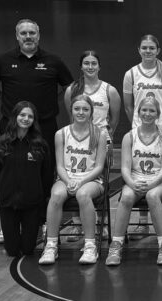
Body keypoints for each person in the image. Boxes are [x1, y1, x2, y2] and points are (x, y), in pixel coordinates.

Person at [0, 18, 73, 244]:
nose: (28, 37)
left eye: (32, 33)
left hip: (44, 126)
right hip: (12, 128)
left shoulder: (53, 61)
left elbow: (70, 87)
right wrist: (9, 108)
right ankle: (9, 224)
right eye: (23, 33)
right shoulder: (2, 61)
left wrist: (47, 107)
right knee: (9, 175)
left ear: (39, 35)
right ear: (17, 36)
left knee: (44, 176)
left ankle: (44, 224)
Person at [38, 95, 108, 265]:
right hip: (66, 178)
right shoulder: (61, 134)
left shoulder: (100, 134)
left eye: (85, 109)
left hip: (92, 180)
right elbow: (60, 165)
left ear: (91, 112)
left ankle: (90, 245)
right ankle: (51, 245)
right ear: (71, 110)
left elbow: (99, 167)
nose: (81, 112)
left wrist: (81, 182)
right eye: (77, 109)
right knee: (56, 195)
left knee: (83, 195)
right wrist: (69, 181)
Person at [106, 96, 162, 266]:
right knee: (127, 196)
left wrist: (152, 183)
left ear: (158, 114)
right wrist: (131, 182)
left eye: (152, 110)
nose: (148, 113)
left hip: (161, 181)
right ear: (138, 113)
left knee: (152, 196)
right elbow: (125, 167)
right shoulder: (129, 136)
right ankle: (116, 244)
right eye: (144, 110)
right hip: (136, 179)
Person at [61, 50, 121, 242]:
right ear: (81, 66)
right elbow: (70, 116)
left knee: (101, 182)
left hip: (101, 140)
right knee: (74, 177)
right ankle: (78, 224)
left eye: (93, 63)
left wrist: (106, 136)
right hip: (77, 141)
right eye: (86, 63)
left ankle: (101, 223)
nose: (90, 66)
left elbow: (115, 118)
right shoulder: (72, 90)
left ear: (99, 66)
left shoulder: (109, 90)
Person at [122, 34, 162, 238]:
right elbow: (128, 105)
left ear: (158, 50)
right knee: (139, 171)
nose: (148, 51)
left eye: (152, 48)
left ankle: (159, 224)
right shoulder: (131, 74)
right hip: (140, 127)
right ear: (139, 50)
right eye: (144, 47)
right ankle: (142, 223)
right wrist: (138, 123)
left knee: (158, 170)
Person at [0, 101, 51, 257]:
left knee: (27, 249)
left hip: (32, 203)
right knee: (12, 251)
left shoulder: (40, 145)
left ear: (34, 120)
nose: (26, 119)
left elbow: (46, 176)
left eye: (30, 116)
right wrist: (2, 194)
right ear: (15, 117)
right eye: (22, 115)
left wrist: (42, 200)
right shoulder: (2, 144)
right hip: (8, 203)